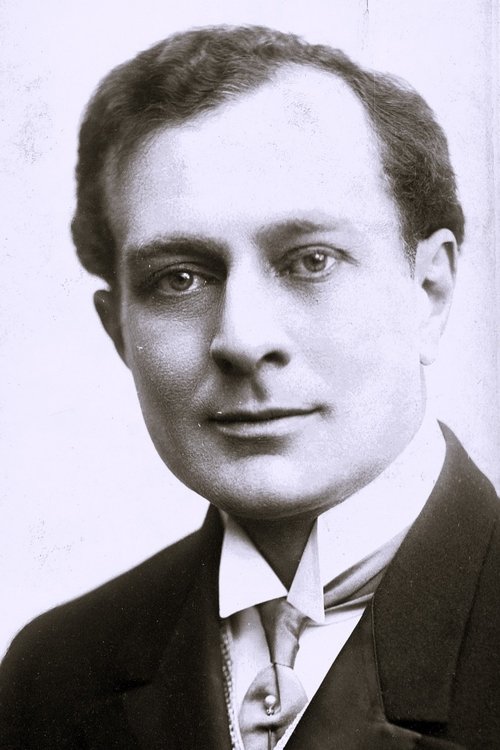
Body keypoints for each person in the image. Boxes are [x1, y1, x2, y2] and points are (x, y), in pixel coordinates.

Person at [0, 24, 498, 750]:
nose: (242, 338)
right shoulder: (51, 677)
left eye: (311, 261)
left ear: (429, 289)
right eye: (179, 278)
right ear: (119, 332)